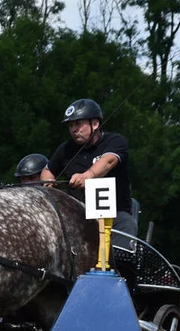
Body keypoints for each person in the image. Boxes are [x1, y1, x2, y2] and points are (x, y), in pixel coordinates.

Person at [40, 98, 136, 235]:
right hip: (76, 218)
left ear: (95, 123)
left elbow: (108, 161)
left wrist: (87, 176)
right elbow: (48, 170)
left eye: (78, 124)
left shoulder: (114, 141)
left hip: (116, 217)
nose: (73, 129)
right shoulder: (66, 148)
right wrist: (48, 184)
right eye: (70, 125)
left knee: (125, 233)